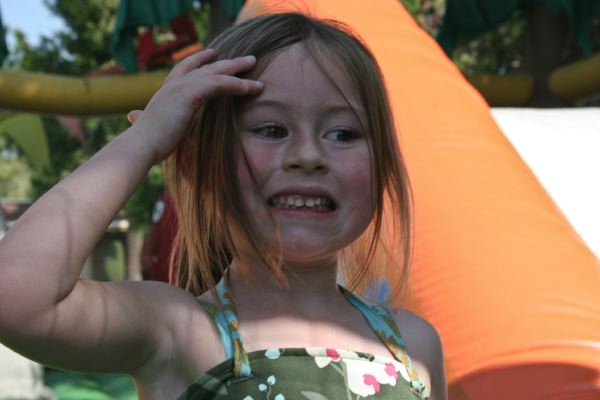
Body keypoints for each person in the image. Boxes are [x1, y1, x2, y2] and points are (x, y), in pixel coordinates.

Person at [0, 13, 446, 400]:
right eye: (271, 129)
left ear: (384, 166)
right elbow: (15, 295)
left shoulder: (413, 346)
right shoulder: (177, 331)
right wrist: (146, 139)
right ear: (199, 166)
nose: (308, 155)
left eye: (343, 133)